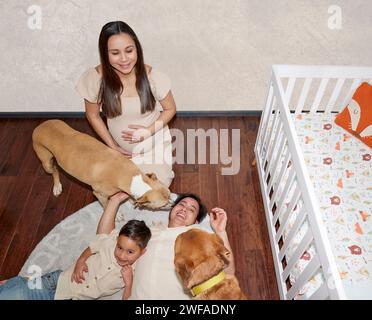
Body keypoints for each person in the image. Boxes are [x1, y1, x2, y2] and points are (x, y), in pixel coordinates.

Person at [75, 21, 176, 187]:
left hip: (153, 144)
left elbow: (170, 109)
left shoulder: (152, 77)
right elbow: (92, 115)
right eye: (115, 53)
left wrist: (147, 131)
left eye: (129, 50)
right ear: (105, 54)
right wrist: (113, 146)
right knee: (117, 189)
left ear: (137, 48)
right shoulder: (96, 79)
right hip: (120, 151)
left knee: (155, 188)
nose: (124, 59)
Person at [0, 193, 150, 300]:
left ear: (142, 252)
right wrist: (80, 261)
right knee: (11, 296)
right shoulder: (110, 243)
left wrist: (129, 283)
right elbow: (92, 246)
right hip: (57, 284)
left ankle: (19, 282)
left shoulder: (135, 270)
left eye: (130, 252)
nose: (122, 255)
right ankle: (20, 285)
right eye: (120, 248)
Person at [127, 192, 236, 300]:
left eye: (191, 210)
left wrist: (221, 231)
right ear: (172, 210)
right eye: (181, 204)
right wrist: (114, 201)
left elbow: (228, 272)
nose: (184, 209)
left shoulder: (197, 238)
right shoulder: (149, 232)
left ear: (195, 222)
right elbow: (111, 241)